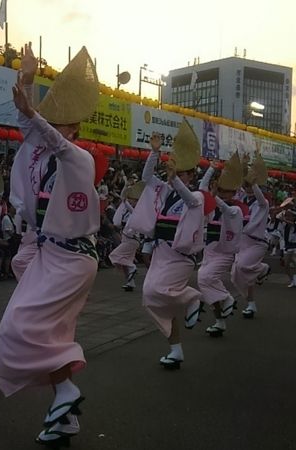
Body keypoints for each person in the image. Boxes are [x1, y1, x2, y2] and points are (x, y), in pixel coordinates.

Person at [0, 44, 102, 447]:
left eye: (58, 124)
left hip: (73, 259)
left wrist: (34, 112)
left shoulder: (80, 159)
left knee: (20, 326)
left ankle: (68, 393)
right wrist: (26, 78)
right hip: (49, 254)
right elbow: (32, 130)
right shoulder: (40, 154)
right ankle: (65, 410)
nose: (49, 129)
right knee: (39, 333)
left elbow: (49, 137)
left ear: (72, 128)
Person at [127, 119, 212, 370]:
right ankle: (175, 350)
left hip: (181, 256)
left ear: (191, 175)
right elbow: (146, 177)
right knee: (151, 298)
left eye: (184, 172)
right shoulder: (165, 190)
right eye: (177, 171)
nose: (178, 175)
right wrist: (155, 152)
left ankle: (193, 298)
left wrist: (175, 180)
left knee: (158, 292)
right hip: (161, 251)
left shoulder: (196, 195)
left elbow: (192, 202)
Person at [197, 154, 246, 337]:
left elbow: (223, 207)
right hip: (210, 250)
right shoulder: (212, 206)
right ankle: (220, 321)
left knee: (206, 278)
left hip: (225, 254)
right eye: (221, 191)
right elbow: (202, 190)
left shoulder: (235, 210)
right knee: (204, 281)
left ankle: (227, 298)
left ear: (234, 193)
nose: (223, 194)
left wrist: (214, 195)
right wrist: (211, 168)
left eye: (227, 192)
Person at [231, 151, 271, 318]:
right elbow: (239, 182)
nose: (246, 188)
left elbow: (260, 197)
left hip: (258, 242)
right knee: (237, 274)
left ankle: (262, 268)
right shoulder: (241, 200)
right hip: (243, 242)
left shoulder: (263, 204)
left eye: (250, 186)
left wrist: (253, 183)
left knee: (242, 267)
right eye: (246, 186)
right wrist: (244, 165)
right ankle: (251, 304)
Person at [108, 180, 144, 291]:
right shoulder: (128, 211)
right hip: (127, 238)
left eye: (132, 200)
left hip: (131, 239)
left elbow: (124, 200)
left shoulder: (137, 211)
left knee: (114, 255)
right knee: (125, 263)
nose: (130, 201)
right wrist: (125, 186)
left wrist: (125, 191)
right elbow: (124, 200)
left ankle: (133, 267)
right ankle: (130, 283)